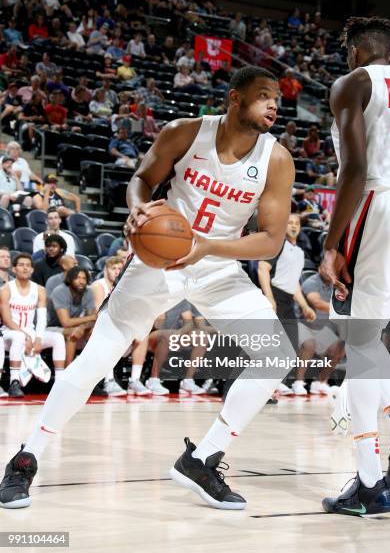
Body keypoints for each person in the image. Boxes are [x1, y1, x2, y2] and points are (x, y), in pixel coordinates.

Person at [0, 66, 297, 512]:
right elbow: (142, 180)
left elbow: (271, 239)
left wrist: (209, 246)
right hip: (159, 261)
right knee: (98, 357)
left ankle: (203, 458)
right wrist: (139, 212)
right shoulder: (186, 133)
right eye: (263, 95)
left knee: (277, 357)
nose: (274, 104)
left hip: (218, 266)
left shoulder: (277, 159)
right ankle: (27, 457)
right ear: (235, 98)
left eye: (277, 98)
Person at [317, 16, 390, 515]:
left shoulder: (353, 82)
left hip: (378, 203)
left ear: (354, 49)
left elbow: (353, 168)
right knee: (369, 338)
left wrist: (332, 244)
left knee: (358, 339)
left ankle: (371, 484)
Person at [258, 213, 315, 395]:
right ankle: (269, 384)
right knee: (273, 345)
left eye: (296, 223)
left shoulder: (298, 252)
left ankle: (277, 382)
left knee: (289, 347)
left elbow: (294, 283)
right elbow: (262, 268)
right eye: (289, 222)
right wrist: (269, 296)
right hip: (275, 295)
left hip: (289, 300)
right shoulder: (278, 245)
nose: (293, 226)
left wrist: (305, 306)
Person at [0, 254, 66, 399]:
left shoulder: (39, 290)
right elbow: (6, 320)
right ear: (14, 269)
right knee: (18, 337)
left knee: (58, 337)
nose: (25, 268)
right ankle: (14, 382)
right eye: (21, 265)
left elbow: (42, 319)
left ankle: (60, 383)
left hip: (30, 332)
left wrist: (38, 339)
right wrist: (26, 336)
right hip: (9, 333)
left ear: (32, 270)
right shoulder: (6, 289)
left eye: (28, 265)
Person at [91, 256, 148, 396]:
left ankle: (134, 380)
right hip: (99, 328)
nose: (117, 272)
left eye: (119, 269)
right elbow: (99, 312)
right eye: (113, 268)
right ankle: (109, 381)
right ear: (106, 270)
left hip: (123, 327)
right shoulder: (98, 286)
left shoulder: (127, 287)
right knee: (109, 331)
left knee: (143, 334)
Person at [294, 273, 345, 396]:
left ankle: (320, 383)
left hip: (321, 329)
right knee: (309, 344)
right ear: (320, 267)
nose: (328, 271)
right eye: (325, 267)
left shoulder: (337, 286)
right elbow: (317, 303)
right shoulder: (311, 282)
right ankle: (298, 383)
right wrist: (341, 308)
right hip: (303, 325)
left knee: (339, 348)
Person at [48, 266, 96, 366]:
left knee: (94, 331)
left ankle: (93, 369)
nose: (81, 281)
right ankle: (67, 371)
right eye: (77, 278)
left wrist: (83, 326)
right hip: (51, 327)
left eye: (84, 278)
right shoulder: (60, 291)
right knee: (73, 333)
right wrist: (91, 318)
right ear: (70, 279)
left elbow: (93, 320)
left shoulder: (88, 292)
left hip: (75, 326)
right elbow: (65, 322)